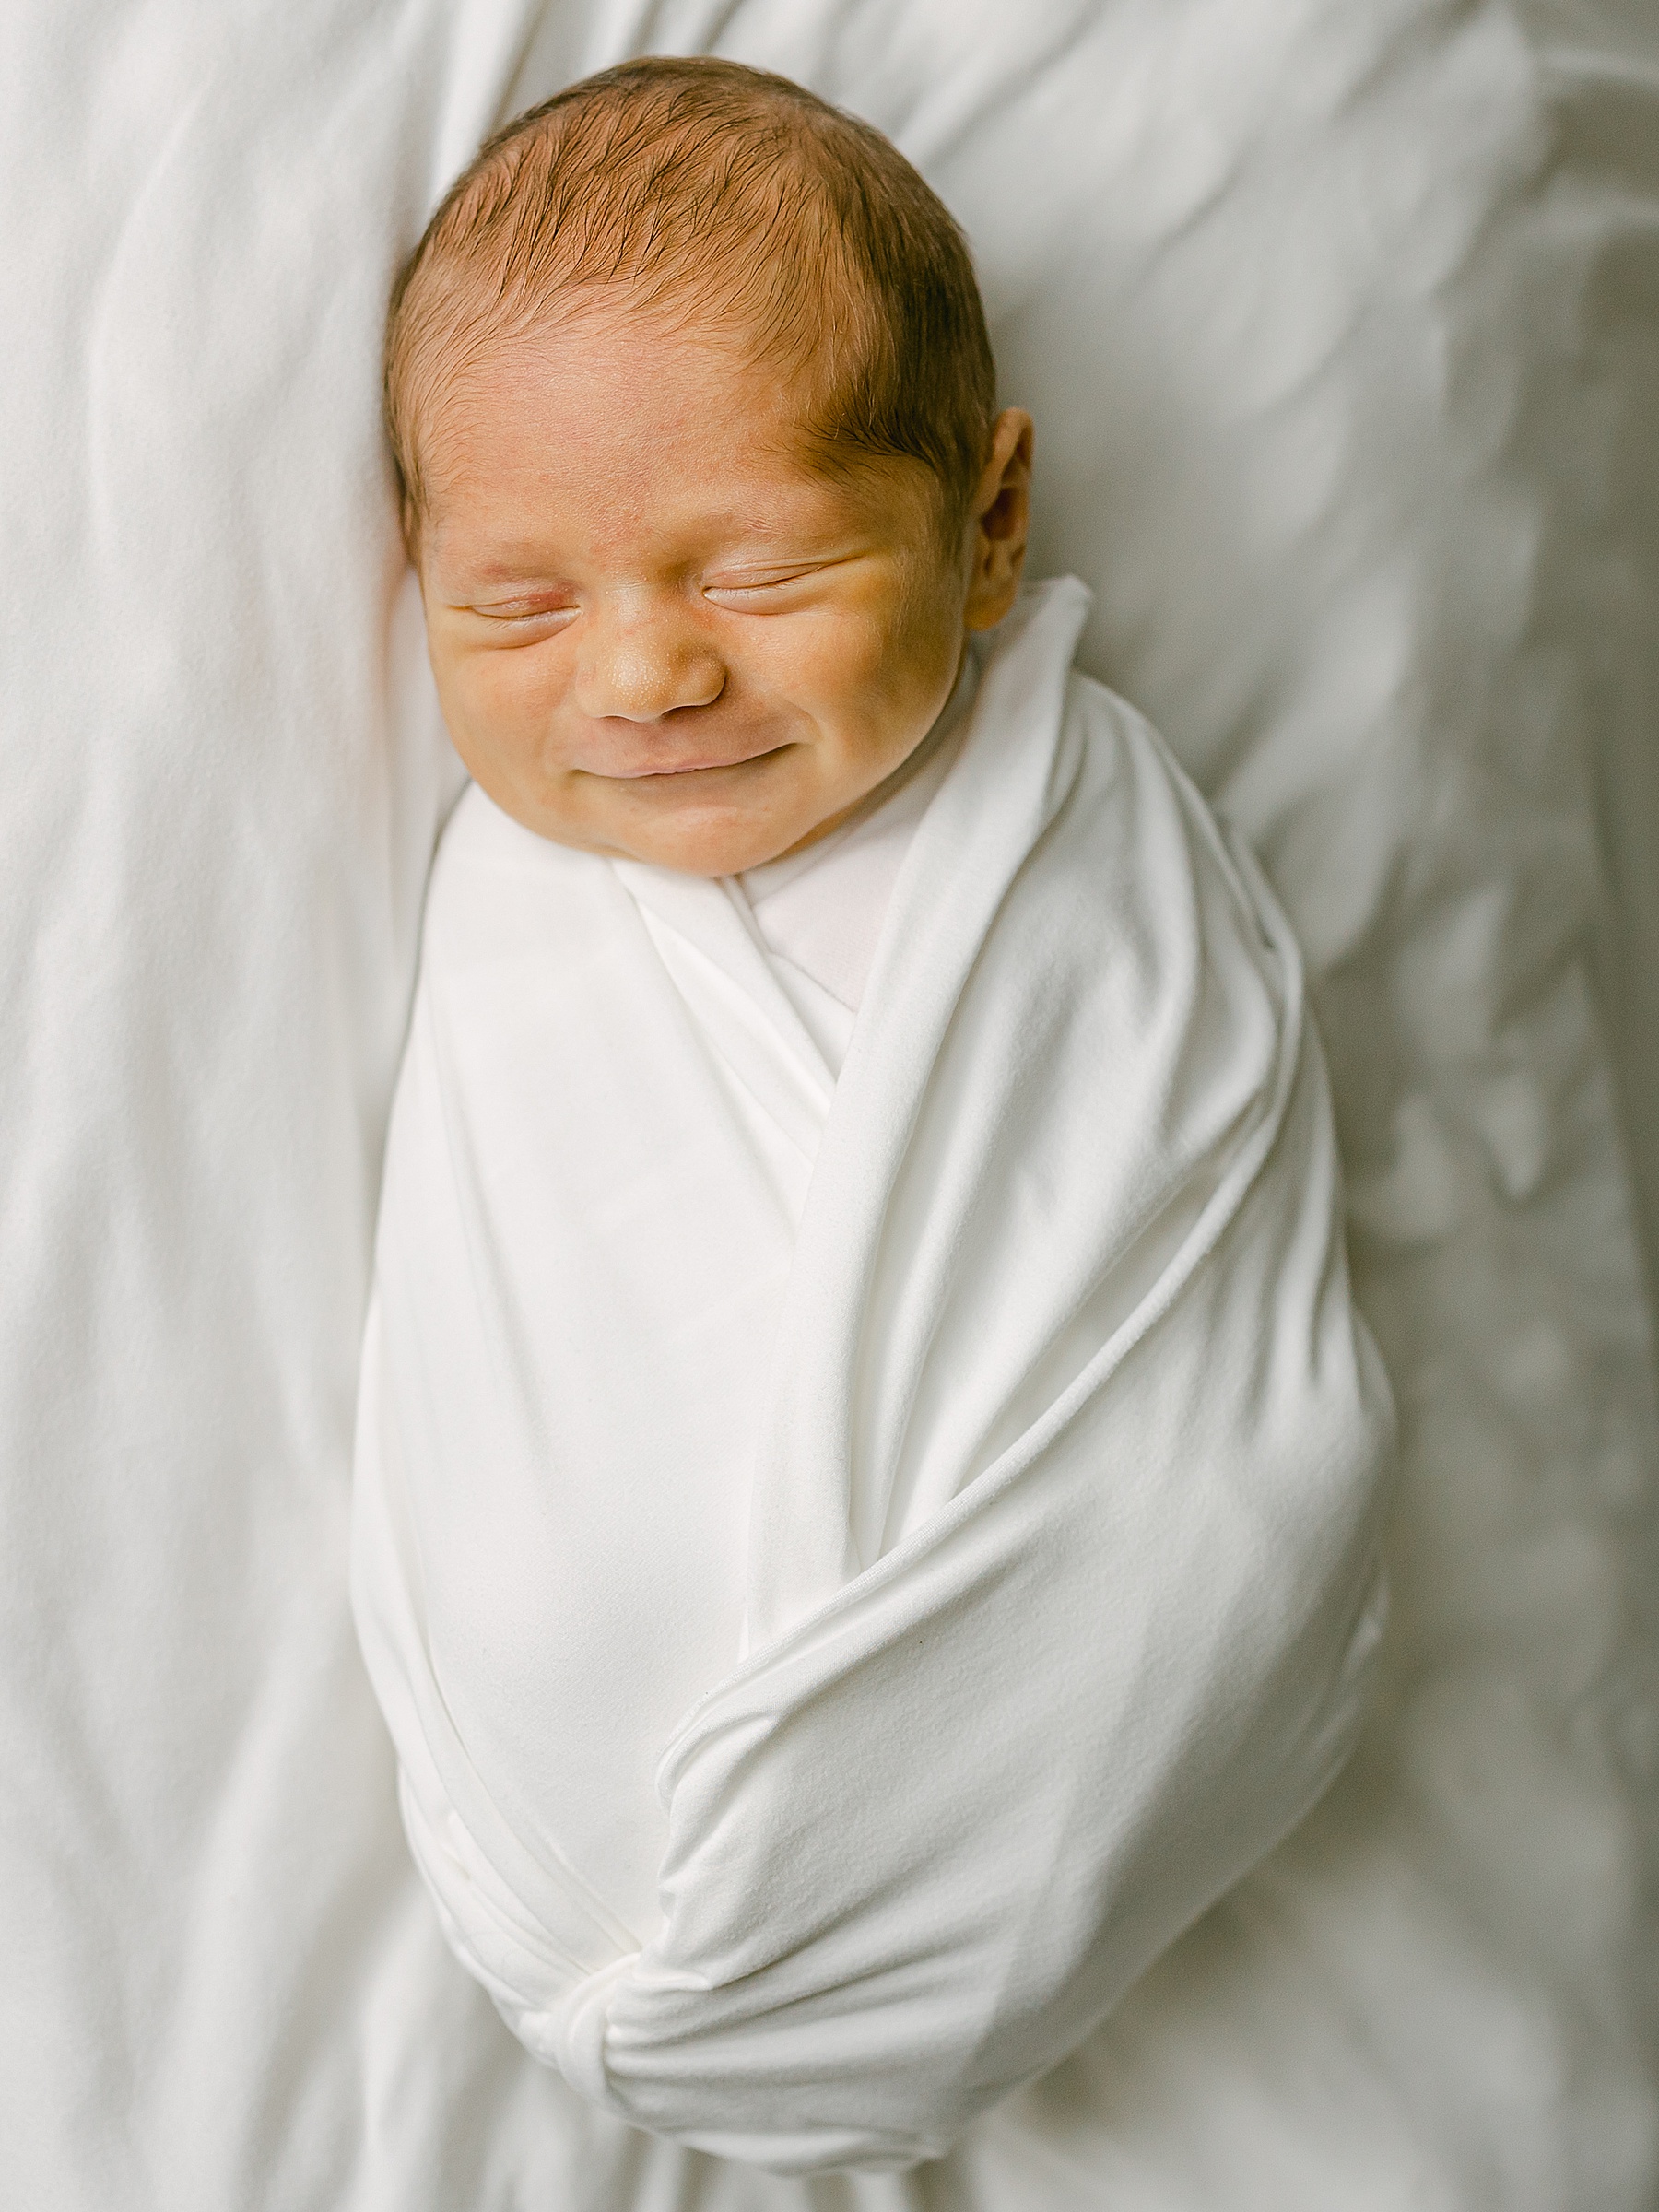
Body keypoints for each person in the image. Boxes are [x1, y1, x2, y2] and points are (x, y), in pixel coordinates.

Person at [352, 53, 1394, 2177]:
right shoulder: (522, 911)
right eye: (519, 607)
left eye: (756, 575)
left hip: (1071, 1634)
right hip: (574, 1859)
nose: (640, 676)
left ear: (989, 524)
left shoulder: (1078, 840)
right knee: (562, 1566)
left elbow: (1188, 1239)